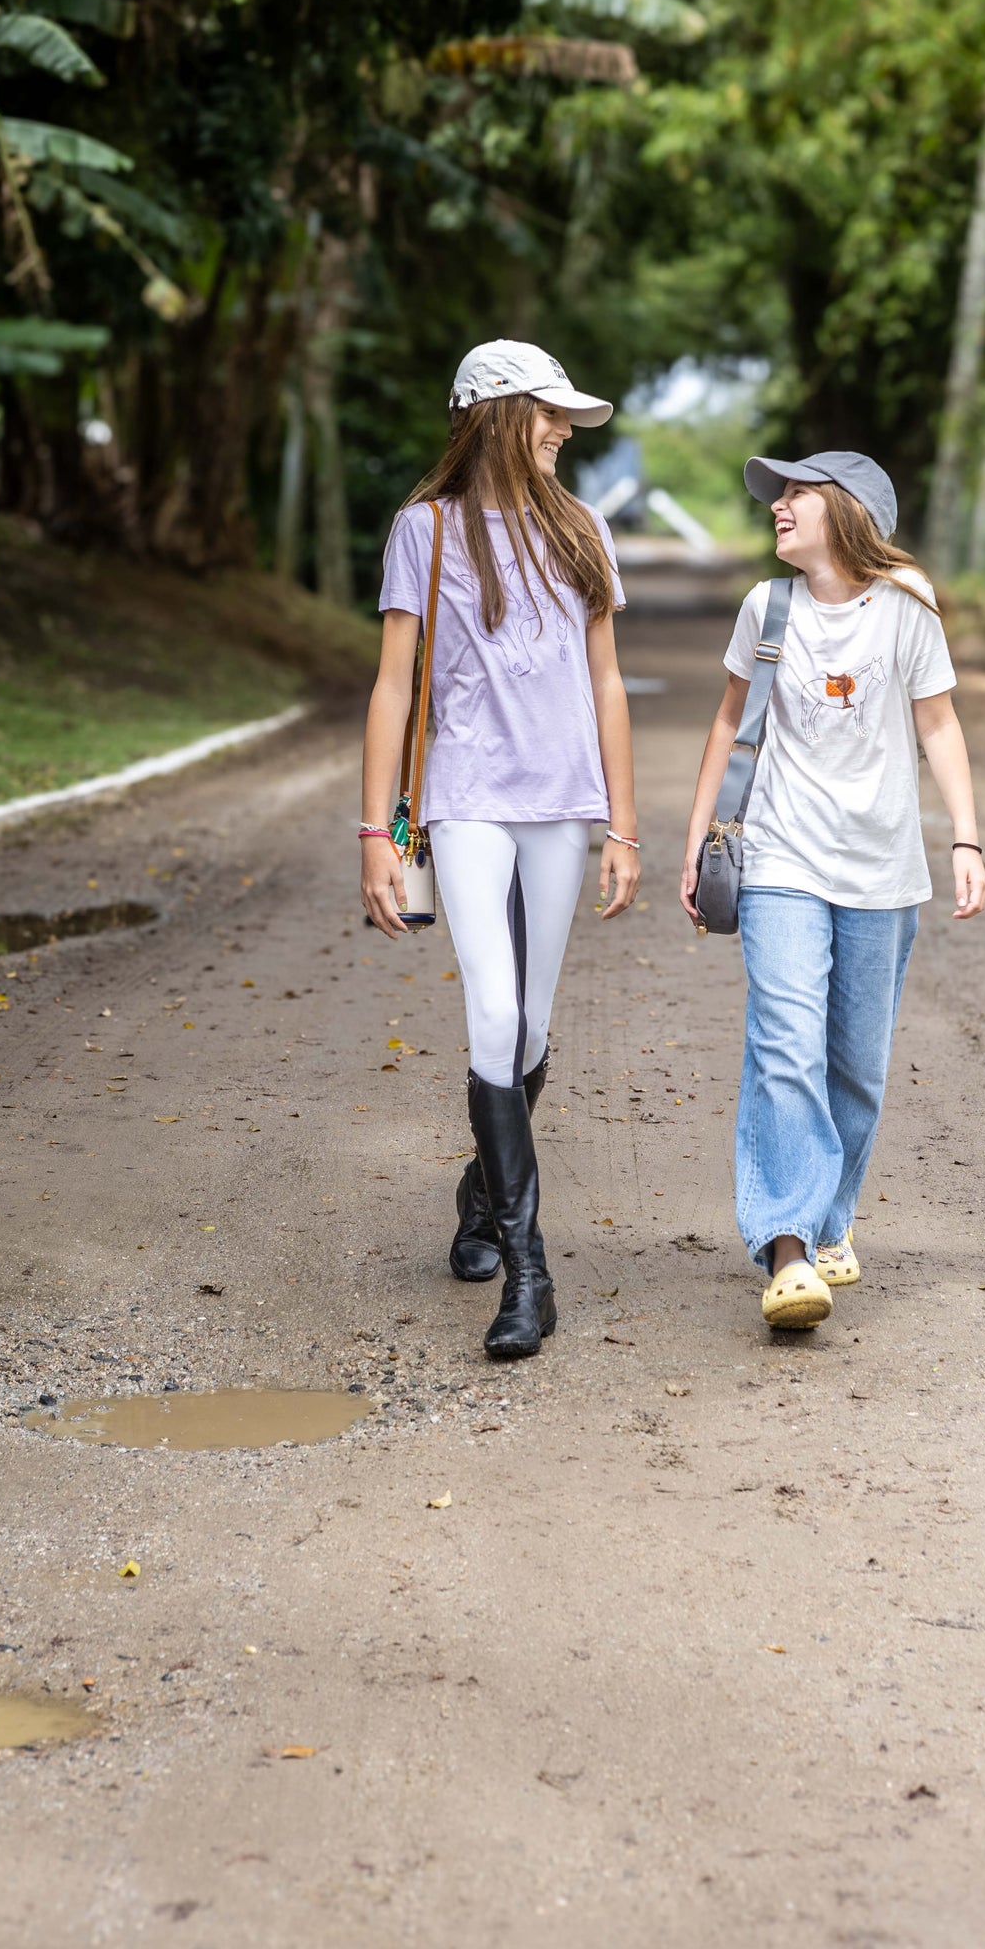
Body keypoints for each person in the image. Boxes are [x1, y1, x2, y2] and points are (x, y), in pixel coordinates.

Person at [360, 340, 641, 1360]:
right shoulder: (423, 529)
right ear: (494, 415)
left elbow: (606, 682)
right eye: (548, 412)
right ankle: (530, 1272)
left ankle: (482, 1192)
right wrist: (379, 835)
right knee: (493, 1006)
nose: (565, 428)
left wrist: (622, 822)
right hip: (465, 801)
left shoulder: (580, 529)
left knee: (530, 1029)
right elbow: (394, 689)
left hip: (564, 805)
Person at [680, 451, 985, 1331]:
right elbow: (728, 722)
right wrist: (703, 835)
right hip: (780, 856)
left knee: (856, 1062)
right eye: (776, 495)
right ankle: (784, 1248)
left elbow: (940, 724)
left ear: (846, 512)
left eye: (796, 495)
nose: (776, 507)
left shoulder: (905, 611)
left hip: (882, 868)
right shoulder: (765, 608)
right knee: (785, 1041)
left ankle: (825, 1222)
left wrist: (965, 837)